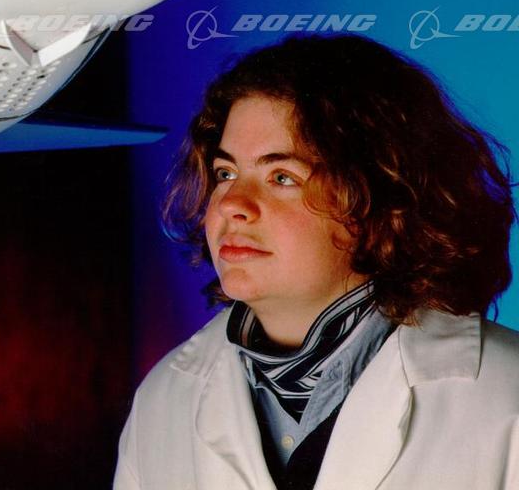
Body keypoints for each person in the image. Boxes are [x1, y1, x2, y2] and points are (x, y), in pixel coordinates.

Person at [114, 34, 519, 490]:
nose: (231, 204)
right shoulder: (164, 401)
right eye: (226, 173)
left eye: (281, 177)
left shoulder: (507, 397)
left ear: (384, 201)